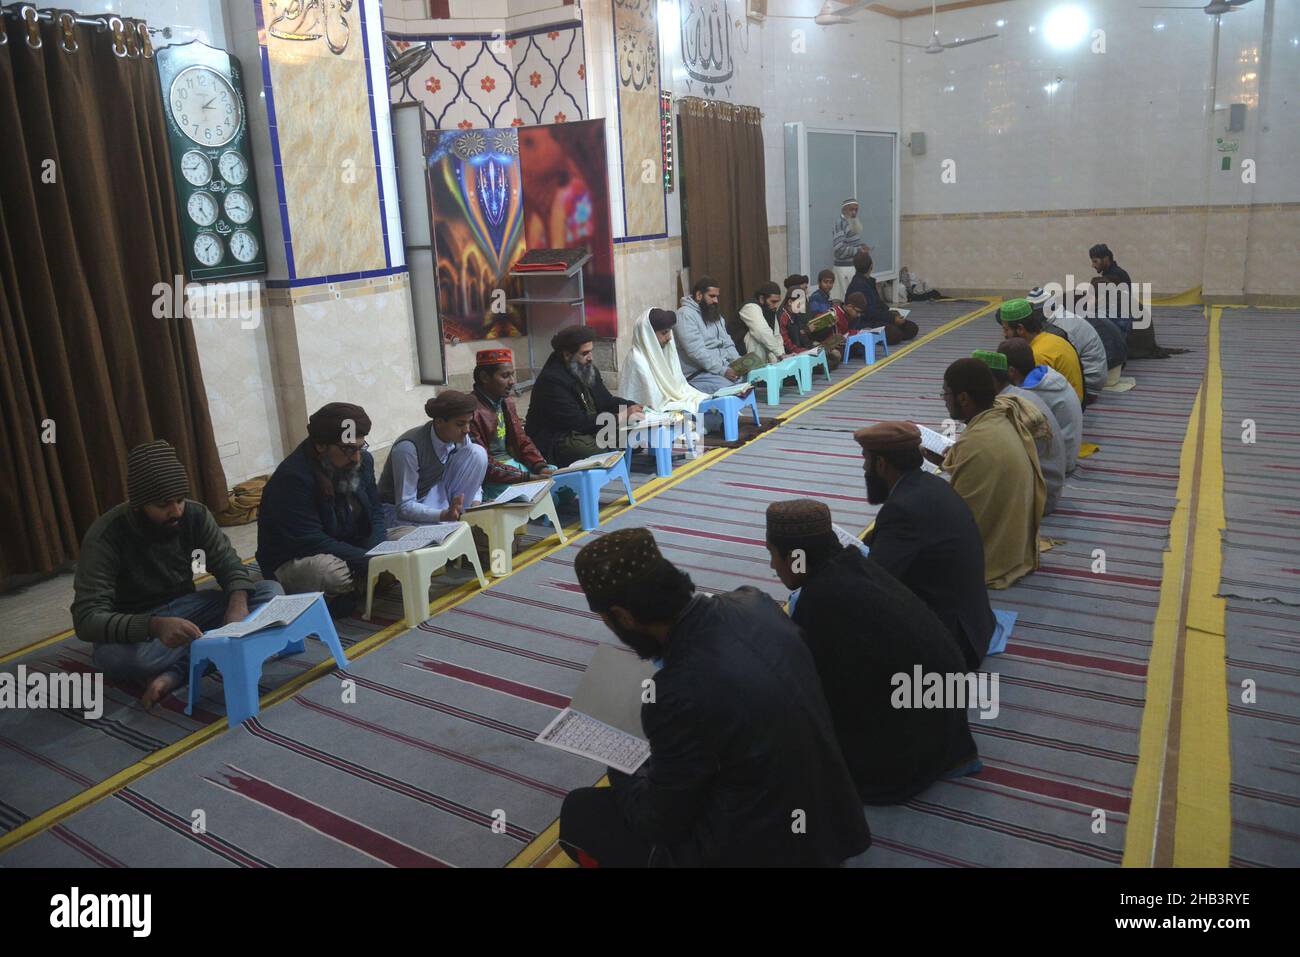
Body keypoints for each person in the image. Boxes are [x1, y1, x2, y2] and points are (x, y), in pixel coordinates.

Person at [558, 529, 871, 867]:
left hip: (765, 849)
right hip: (833, 822)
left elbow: (658, 823)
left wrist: (618, 754)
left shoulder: (677, 693)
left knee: (580, 814)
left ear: (623, 616)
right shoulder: (754, 602)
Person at [766, 500, 981, 804]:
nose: (772, 566)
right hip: (948, 721)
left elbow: (811, 693)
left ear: (796, 558)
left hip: (911, 753)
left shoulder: (821, 602)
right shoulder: (854, 564)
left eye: (772, 554)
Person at [74, 440, 282, 708]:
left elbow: (228, 564)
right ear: (139, 505)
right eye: (163, 505)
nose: (176, 511)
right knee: (124, 660)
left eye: (180, 500)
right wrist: (154, 625)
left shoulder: (194, 514)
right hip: (139, 626)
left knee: (271, 594)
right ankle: (215, 648)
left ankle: (178, 671)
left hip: (188, 609)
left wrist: (237, 603)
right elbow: (86, 619)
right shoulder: (105, 537)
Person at [855, 422, 997, 669]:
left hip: (954, 640)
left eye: (866, 460)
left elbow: (874, 582)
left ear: (881, 464)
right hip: (976, 621)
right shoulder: (931, 485)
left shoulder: (902, 509)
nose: (864, 468)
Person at [258, 403, 388, 606]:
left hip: (352, 545)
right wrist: (370, 560)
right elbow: (310, 540)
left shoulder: (363, 461)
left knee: (409, 540)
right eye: (348, 449)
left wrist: (379, 553)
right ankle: (364, 582)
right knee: (329, 574)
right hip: (300, 557)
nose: (356, 458)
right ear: (321, 445)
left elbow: (376, 512)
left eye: (360, 448)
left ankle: (363, 582)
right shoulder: (293, 478)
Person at [938, 358, 1045, 589]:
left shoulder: (976, 442)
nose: (944, 400)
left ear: (963, 397)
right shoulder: (1001, 415)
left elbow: (959, 517)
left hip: (994, 559)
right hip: (1017, 545)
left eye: (945, 393)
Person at [525, 324, 643, 466]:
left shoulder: (587, 369)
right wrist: (621, 417)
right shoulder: (552, 381)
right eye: (585, 353)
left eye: (591, 352)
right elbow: (577, 422)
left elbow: (606, 401)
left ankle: (612, 449)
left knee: (637, 437)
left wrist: (631, 405)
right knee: (590, 451)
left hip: (590, 428)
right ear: (567, 355)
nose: (590, 358)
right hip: (561, 437)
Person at [974, 348, 1066, 514]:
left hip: (1039, 499)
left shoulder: (1006, 408)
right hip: (1048, 487)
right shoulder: (1019, 394)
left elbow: (997, 463)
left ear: (991, 380)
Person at [379, 391, 488, 527]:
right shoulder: (408, 448)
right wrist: (444, 515)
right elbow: (405, 506)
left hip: (434, 496)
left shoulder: (459, 437)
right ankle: (453, 520)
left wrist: (475, 503)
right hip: (397, 511)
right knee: (443, 536)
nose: (466, 430)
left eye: (469, 423)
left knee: (477, 453)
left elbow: (472, 478)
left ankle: (461, 517)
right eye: (460, 424)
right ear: (439, 422)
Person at [620, 308, 722, 437]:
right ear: (648, 334)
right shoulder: (636, 360)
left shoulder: (664, 350)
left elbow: (678, 387)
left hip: (669, 402)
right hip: (654, 410)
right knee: (691, 412)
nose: (669, 338)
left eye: (669, 332)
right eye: (664, 333)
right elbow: (651, 403)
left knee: (706, 401)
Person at [468, 348, 555, 501]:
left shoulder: (506, 402)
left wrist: (540, 465)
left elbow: (521, 440)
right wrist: (526, 477)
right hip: (493, 478)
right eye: (505, 375)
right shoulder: (470, 410)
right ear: (484, 377)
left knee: (557, 477)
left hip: (515, 467)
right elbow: (484, 464)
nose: (512, 381)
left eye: (512, 374)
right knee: (532, 495)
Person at [997, 337, 1082, 473]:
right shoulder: (1047, 376)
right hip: (1068, 453)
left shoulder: (1030, 394)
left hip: (1058, 464)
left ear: (1011, 371)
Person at [998, 298, 1084, 403]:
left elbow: (1030, 399)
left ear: (1020, 329)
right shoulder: (1052, 338)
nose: (1004, 334)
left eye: (1006, 329)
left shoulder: (1036, 355)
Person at [1027, 286, 1108, 398]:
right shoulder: (1061, 317)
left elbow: (1062, 363)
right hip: (1093, 376)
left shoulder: (1061, 329)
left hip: (1088, 385)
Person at [675, 275, 743, 394]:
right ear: (699, 295)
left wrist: (739, 364)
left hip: (718, 368)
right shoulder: (685, 315)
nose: (716, 301)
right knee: (730, 387)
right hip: (697, 372)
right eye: (712, 296)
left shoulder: (714, 315)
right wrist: (723, 371)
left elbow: (727, 343)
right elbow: (696, 352)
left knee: (744, 379)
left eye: (717, 297)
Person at [846, 250, 918, 345]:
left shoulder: (868, 282)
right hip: (865, 322)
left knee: (911, 327)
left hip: (877, 317)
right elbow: (870, 313)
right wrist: (891, 319)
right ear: (871, 266)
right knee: (895, 334)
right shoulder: (858, 285)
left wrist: (892, 314)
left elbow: (879, 303)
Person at [735, 281, 790, 366]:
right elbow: (761, 331)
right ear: (761, 298)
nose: (776, 306)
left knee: (772, 342)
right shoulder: (750, 307)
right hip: (740, 354)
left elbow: (776, 336)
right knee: (756, 337)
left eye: (777, 302)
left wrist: (783, 358)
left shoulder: (770, 310)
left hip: (758, 354)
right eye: (773, 301)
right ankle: (757, 375)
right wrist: (780, 354)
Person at [831, 198, 869, 299]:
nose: (854, 212)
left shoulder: (851, 221)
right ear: (844, 210)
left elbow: (850, 243)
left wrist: (861, 246)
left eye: (856, 210)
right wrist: (859, 250)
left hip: (852, 267)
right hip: (844, 270)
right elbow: (839, 249)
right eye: (851, 209)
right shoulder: (840, 223)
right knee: (848, 300)